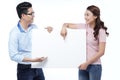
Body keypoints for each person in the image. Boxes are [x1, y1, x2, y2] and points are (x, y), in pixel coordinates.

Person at [60, 5, 109, 80]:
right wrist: (63, 28)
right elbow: (66, 24)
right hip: (82, 65)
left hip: (94, 66)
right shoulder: (84, 26)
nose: (85, 17)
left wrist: (87, 63)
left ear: (95, 16)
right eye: (84, 15)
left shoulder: (101, 31)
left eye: (87, 15)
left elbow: (101, 52)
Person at [8, 2, 52, 80]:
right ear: (23, 16)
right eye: (31, 13)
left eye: (33, 13)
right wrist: (33, 60)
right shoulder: (14, 33)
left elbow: (39, 42)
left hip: (38, 67)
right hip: (25, 70)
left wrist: (47, 32)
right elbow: (13, 56)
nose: (33, 15)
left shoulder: (34, 28)